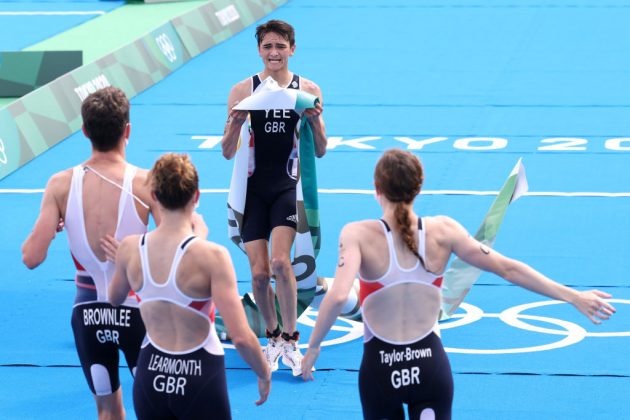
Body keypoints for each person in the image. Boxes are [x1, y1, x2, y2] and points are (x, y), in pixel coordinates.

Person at [301, 149, 616, 420]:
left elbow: (339, 295)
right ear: (419, 187)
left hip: (380, 369)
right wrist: (573, 296)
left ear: (376, 188)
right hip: (430, 368)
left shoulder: (357, 233)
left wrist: (313, 347)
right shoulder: (444, 230)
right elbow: (508, 269)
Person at [21, 86, 159, 419]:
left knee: (107, 412)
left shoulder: (60, 184)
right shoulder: (146, 182)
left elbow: (31, 257)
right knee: (157, 410)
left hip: (88, 315)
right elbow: (184, 240)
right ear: (128, 130)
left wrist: (55, 227)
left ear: (84, 131)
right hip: (138, 312)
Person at [108, 153, 271, 419]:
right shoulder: (211, 257)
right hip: (199, 375)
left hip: (151, 373)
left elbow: (114, 298)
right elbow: (240, 336)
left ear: (154, 196)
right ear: (196, 196)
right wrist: (263, 372)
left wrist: (120, 263)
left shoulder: (129, 249)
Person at [221, 19, 327, 375]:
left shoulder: (308, 89)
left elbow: (322, 150)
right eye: (267, 46)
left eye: (281, 46)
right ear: (259, 50)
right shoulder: (242, 91)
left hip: (285, 187)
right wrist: (236, 123)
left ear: (292, 49)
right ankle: (272, 339)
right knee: (258, 274)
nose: (274, 53)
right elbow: (225, 151)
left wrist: (316, 122)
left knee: (282, 264)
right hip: (252, 192)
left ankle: (292, 340)